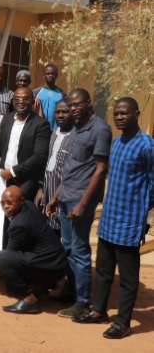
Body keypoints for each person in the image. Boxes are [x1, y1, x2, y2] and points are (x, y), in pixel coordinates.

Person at [72, 98, 154, 339]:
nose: (119, 117)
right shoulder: (117, 142)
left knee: (128, 277)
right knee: (105, 269)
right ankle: (99, 311)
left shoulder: (146, 146)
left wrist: (142, 216)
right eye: (116, 113)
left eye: (124, 113)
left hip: (130, 221)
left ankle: (124, 323)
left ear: (136, 114)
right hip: (109, 218)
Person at [45, 89, 112, 318]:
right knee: (68, 248)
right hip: (65, 196)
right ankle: (70, 292)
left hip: (81, 198)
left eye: (77, 105)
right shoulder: (74, 129)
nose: (73, 109)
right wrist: (54, 197)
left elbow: (101, 169)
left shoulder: (100, 130)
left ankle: (82, 302)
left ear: (88, 103)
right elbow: (70, 168)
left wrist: (83, 203)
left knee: (80, 249)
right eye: (70, 106)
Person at [0, 186, 68, 314]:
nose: (6, 206)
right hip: (57, 266)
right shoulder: (29, 205)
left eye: (10, 202)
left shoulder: (19, 224)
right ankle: (38, 289)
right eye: (3, 203)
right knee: (16, 257)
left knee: (1, 258)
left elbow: (9, 254)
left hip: (50, 270)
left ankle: (28, 299)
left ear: (22, 201)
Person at [35, 100, 73, 234]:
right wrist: (40, 188)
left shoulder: (76, 137)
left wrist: (56, 198)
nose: (61, 115)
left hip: (64, 197)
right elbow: (42, 162)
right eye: (58, 112)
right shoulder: (52, 133)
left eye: (65, 112)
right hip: (46, 193)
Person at [33, 64, 67, 129]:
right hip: (39, 130)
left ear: (56, 75)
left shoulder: (63, 94)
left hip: (56, 130)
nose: (50, 76)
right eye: (48, 74)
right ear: (43, 75)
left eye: (53, 74)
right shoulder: (35, 93)